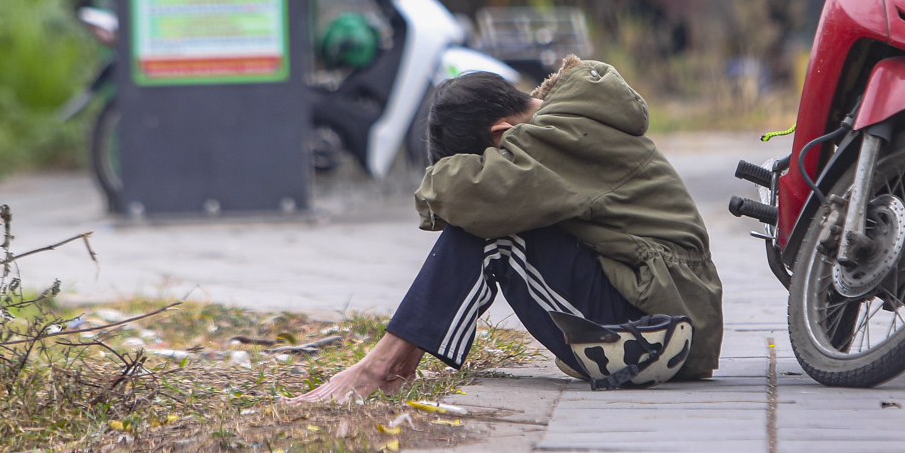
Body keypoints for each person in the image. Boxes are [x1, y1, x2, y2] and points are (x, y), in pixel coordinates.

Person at [295, 57, 723, 402]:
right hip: (666, 314)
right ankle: (392, 362)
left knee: (493, 228)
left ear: (502, 134)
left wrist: (436, 182)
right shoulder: (573, 121)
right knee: (489, 215)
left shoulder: (560, 136)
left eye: (488, 158)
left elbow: (470, 195)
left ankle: (383, 366)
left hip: (661, 335)